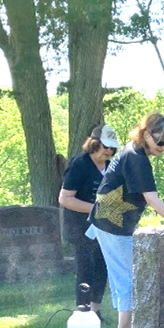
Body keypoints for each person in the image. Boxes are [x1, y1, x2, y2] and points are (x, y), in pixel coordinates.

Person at [87, 112, 164, 328]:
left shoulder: (134, 151)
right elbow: (151, 198)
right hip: (112, 227)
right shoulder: (136, 157)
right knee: (128, 283)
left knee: (125, 281)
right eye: (160, 141)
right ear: (145, 134)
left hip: (109, 224)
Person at [59, 124, 118, 315]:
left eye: (112, 148)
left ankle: (96, 312)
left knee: (102, 268)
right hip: (79, 227)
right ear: (94, 143)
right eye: (105, 146)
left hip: (103, 226)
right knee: (86, 269)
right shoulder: (79, 164)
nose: (109, 151)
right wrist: (96, 209)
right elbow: (65, 199)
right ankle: (83, 313)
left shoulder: (110, 167)